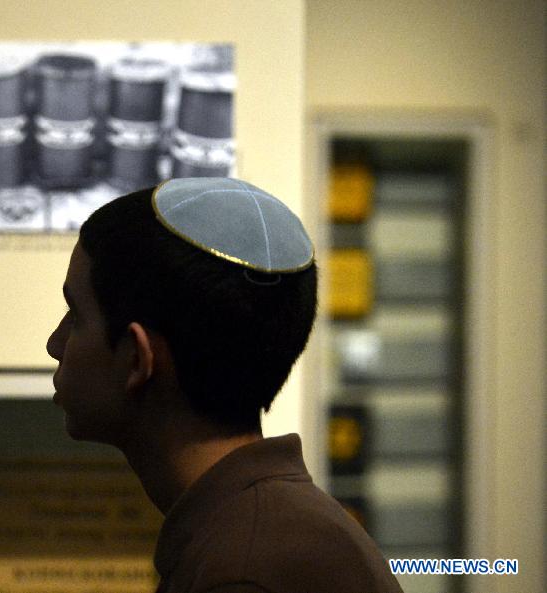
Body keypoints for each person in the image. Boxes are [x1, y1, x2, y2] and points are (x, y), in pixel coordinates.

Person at [46, 178, 403, 593]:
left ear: (137, 359)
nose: (55, 343)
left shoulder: (243, 569)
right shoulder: (264, 532)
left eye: (76, 315)